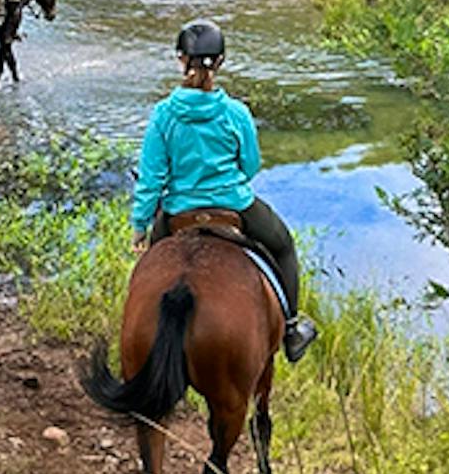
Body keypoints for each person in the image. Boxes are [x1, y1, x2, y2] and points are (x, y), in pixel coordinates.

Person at [130, 20, 318, 364]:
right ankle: (291, 330)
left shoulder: (163, 115)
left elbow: (152, 178)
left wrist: (140, 225)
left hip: (177, 212)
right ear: (220, 63)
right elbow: (250, 165)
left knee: (149, 273)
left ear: (179, 59)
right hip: (235, 206)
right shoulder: (236, 113)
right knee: (284, 246)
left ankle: (141, 336)